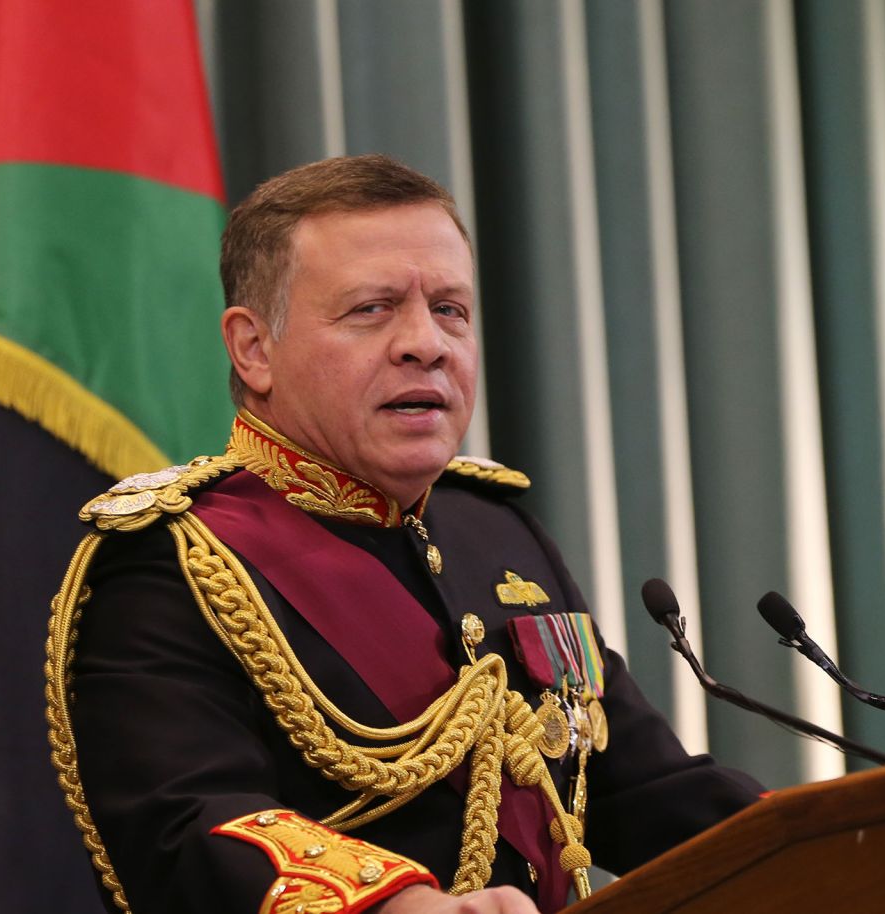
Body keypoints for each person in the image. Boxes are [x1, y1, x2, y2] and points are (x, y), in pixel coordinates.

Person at [44, 155, 762, 914]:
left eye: (450, 309)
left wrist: (848, 838)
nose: (427, 343)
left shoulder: (495, 529)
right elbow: (186, 825)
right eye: (372, 310)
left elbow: (641, 790)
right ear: (254, 349)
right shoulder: (175, 562)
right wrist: (400, 908)